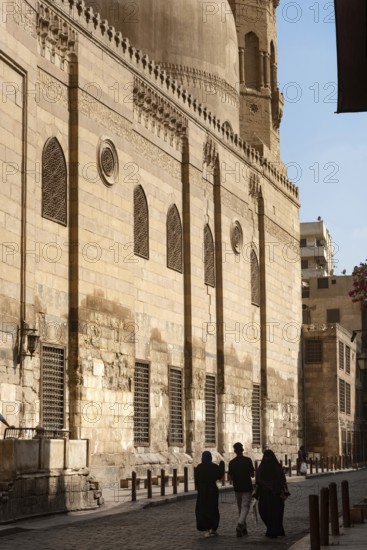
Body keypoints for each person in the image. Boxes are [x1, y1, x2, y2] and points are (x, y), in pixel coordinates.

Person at [255, 449, 289, 538]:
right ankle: (272, 529)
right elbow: (282, 479)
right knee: (271, 513)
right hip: (272, 494)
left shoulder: (263, 467)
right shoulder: (276, 467)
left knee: (270, 512)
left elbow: (258, 480)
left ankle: (272, 529)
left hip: (271, 494)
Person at [194, 451, 225, 537]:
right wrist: (222, 464)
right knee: (213, 509)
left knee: (203, 510)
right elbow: (219, 475)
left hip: (202, 492)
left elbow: (196, 480)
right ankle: (212, 528)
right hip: (212, 491)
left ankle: (206, 529)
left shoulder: (199, 467)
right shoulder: (213, 467)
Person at [228, 442, 255, 537]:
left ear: (235, 451)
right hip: (247, 487)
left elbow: (230, 477)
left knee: (240, 508)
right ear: (242, 450)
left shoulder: (231, 462)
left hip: (237, 488)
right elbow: (252, 474)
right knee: (245, 507)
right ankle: (240, 525)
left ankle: (244, 528)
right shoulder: (248, 460)